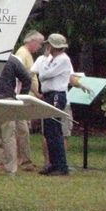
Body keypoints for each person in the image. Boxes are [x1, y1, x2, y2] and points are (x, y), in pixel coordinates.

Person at [0, 55, 31, 176]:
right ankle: (11, 169)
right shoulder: (13, 61)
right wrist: (21, 96)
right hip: (8, 101)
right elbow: (27, 79)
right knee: (9, 137)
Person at [32, 33, 74, 176]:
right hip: (50, 95)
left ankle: (61, 166)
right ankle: (54, 163)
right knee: (50, 130)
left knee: (54, 129)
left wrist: (44, 59)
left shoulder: (62, 59)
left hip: (56, 95)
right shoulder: (54, 59)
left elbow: (43, 75)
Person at [13, 31, 43, 171]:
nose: (40, 47)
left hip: (29, 95)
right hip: (24, 96)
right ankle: (22, 159)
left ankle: (23, 159)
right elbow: (21, 76)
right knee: (22, 129)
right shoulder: (22, 54)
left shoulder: (28, 54)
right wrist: (35, 92)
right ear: (32, 41)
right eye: (39, 43)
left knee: (23, 129)